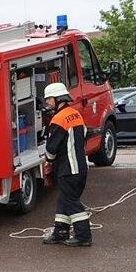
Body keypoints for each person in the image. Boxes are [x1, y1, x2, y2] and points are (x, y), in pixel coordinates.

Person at [42, 82, 91, 246]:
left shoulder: (58, 119)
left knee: (70, 202)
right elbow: (84, 136)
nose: (47, 102)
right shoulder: (76, 114)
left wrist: (48, 162)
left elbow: (51, 148)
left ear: (58, 99)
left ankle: (83, 236)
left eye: (49, 99)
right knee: (64, 199)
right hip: (80, 167)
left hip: (68, 169)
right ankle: (60, 233)